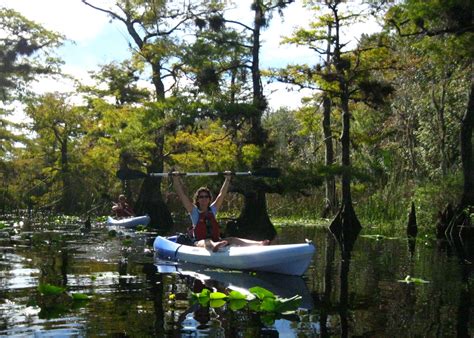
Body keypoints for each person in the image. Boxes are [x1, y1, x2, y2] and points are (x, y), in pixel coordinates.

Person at [172, 172, 270, 252]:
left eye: (206, 196)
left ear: (209, 199)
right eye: (201, 197)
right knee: (207, 241)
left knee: (232, 239)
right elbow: (182, 195)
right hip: (199, 242)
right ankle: (214, 246)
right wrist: (175, 180)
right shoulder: (194, 212)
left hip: (217, 241)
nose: (204, 199)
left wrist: (227, 179)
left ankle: (258, 244)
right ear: (197, 200)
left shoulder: (212, 210)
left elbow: (221, 194)